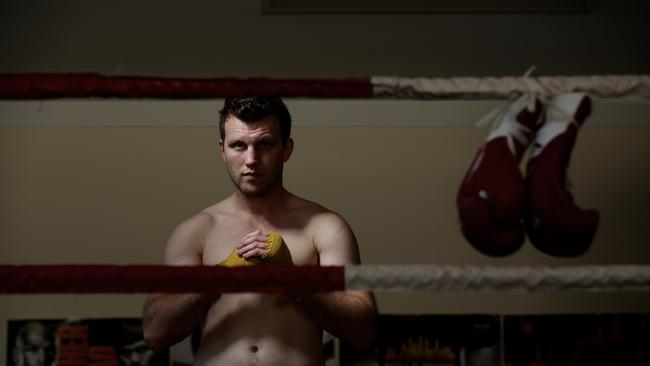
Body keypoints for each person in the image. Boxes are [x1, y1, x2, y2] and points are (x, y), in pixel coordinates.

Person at [143, 97, 378, 365]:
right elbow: (155, 332)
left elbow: (364, 332)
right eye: (238, 146)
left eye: (264, 144)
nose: (251, 159)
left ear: (286, 149)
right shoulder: (196, 231)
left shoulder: (325, 227)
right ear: (222, 150)